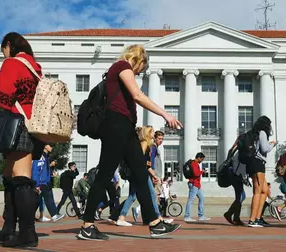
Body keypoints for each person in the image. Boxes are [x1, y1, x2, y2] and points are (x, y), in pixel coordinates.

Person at [77, 45, 182, 240]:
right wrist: (165, 114)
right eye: (142, 68)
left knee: (140, 174)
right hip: (115, 126)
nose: (141, 72)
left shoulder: (122, 70)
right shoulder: (122, 66)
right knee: (105, 175)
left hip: (126, 128)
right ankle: (87, 225)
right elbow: (137, 95)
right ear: (139, 61)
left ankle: (154, 223)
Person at [0, 32, 44, 248]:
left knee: (21, 178)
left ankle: (27, 233)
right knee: (10, 175)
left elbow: (4, 97)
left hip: (17, 124)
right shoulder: (36, 68)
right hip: (35, 125)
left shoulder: (12, 63)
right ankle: (8, 229)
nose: (3, 54)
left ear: (8, 45)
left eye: (3, 49)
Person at [246, 116, 276, 228]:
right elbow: (264, 149)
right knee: (258, 192)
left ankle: (258, 218)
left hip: (255, 163)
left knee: (264, 190)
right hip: (258, 163)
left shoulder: (254, 133)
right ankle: (252, 220)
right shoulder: (262, 133)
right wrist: (273, 144)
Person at [32, 145, 65, 223]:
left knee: (37, 201)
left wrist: (51, 170)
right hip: (41, 182)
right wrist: (36, 184)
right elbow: (35, 169)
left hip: (45, 181)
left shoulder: (45, 156)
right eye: (51, 145)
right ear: (45, 146)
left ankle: (26, 216)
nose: (52, 147)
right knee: (48, 197)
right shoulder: (40, 156)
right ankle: (54, 215)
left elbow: (44, 168)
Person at [223, 148, 247, 226]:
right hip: (236, 176)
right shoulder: (241, 152)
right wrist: (243, 177)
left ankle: (232, 215)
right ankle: (233, 216)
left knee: (242, 196)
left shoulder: (236, 150)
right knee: (240, 197)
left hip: (236, 175)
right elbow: (240, 165)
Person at [184, 152, 210, 222]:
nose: (202, 161)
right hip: (194, 184)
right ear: (198, 158)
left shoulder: (194, 163)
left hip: (197, 184)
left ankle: (201, 216)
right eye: (202, 159)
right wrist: (202, 171)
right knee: (190, 200)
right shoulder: (194, 163)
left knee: (201, 198)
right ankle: (187, 216)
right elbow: (196, 173)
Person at [150, 131, 164, 200]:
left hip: (157, 175)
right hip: (155, 175)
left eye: (162, 139)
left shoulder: (156, 147)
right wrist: (153, 175)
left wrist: (160, 176)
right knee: (156, 194)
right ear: (155, 138)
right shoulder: (153, 147)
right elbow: (151, 161)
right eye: (159, 138)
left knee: (155, 194)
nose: (161, 140)